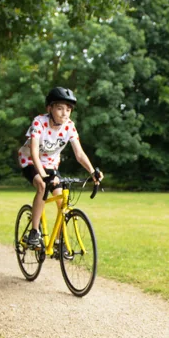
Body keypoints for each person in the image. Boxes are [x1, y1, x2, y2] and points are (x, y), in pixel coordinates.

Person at [19, 86, 103, 247]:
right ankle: (34, 232)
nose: (65, 113)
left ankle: (59, 240)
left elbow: (79, 154)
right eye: (60, 108)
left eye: (68, 110)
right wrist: (43, 175)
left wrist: (93, 172)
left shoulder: (69, 126)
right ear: (49, 108)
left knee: (62, 201)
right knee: (42, 186)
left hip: (51, 164)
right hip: (30, 161)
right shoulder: (39, 122)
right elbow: (34, 152)